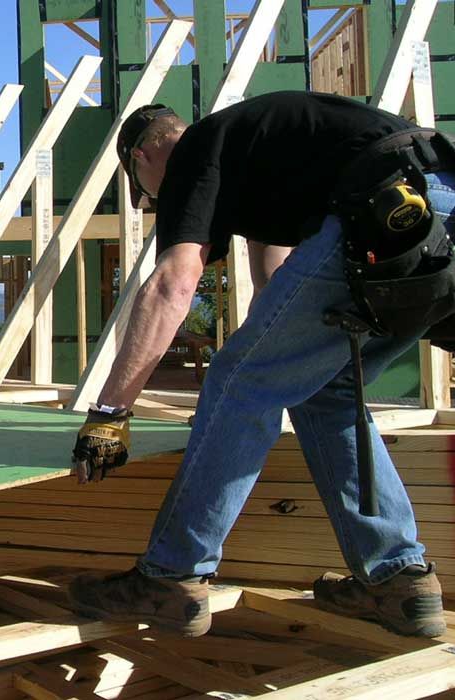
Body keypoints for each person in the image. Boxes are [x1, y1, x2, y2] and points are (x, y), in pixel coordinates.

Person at [67, 91, 454, 639]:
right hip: (437, 212)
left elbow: (174, 283)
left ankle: (172, 574)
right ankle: (397, 579)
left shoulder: (193, 151)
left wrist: (110, 412)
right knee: (323, 388)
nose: (154, 203)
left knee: (239, 380)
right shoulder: (264, 156)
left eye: (143, 193)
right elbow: (279, 296)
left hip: (382, 205)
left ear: (143, 155)